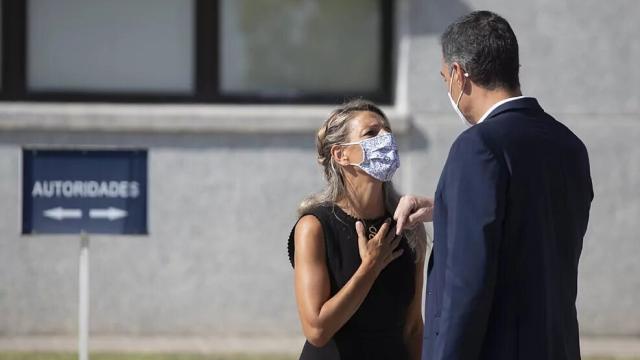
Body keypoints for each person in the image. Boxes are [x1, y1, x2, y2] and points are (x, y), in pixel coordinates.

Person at [393, 11, 594, 360]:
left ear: (459, 74)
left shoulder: (478, 146)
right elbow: (532, 223)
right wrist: (447, 209)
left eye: (444, 78)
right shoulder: (568, 145)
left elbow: (466, 285)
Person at [287, 99, 429, 360]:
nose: (385, 137)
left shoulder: (407, 225)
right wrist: (370, 268)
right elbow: (317, 329)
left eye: (387, 131)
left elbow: (412, 328)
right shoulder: (314, 227)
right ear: (341, 155)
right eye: (371, 133)